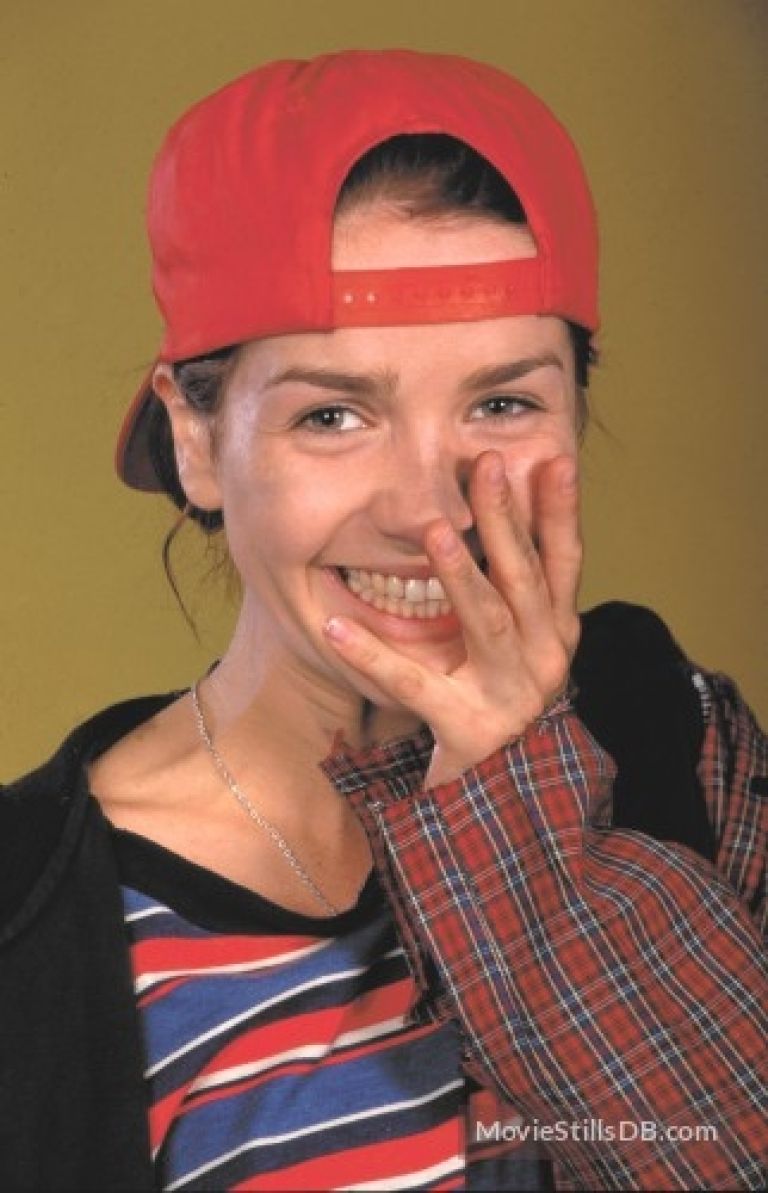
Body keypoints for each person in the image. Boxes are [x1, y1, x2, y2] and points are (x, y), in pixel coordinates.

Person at [1, 49, 766, 1192]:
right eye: (333, 415)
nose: (429, 512)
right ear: (199, 441)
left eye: (502, 401)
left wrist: (512, 788)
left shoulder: (681, 746)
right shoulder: (27, 917)